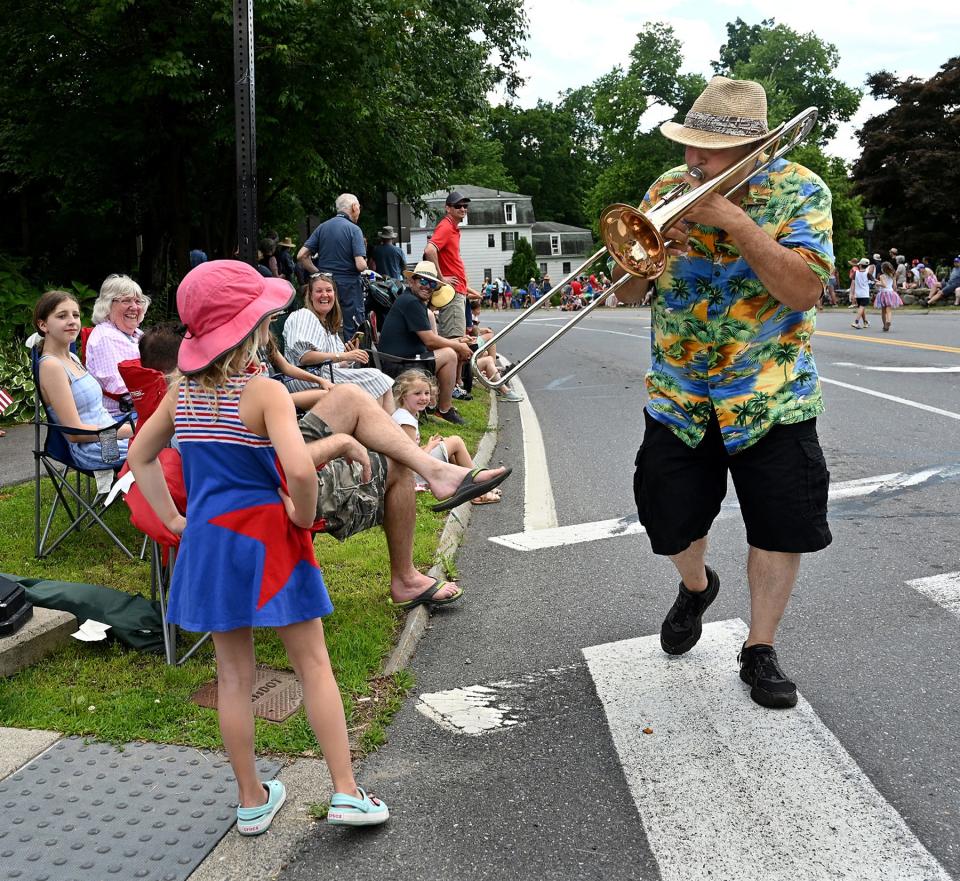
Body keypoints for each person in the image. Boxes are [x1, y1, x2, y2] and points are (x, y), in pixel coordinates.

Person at [616, 76, 833, 709]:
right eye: (689, 146)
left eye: (706, 151)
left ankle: (759, 648)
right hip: (681, 393)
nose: (692, 161)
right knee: (665, 517)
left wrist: (733, 220)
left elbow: (804, 290)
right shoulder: (665, 191)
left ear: (752, 149)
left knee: (781, 527)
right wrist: (649, 264)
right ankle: (696, 585)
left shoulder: (802, 191)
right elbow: (627, 294)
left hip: (772, 394)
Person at [34, 290, 133, 470]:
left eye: (76, 315)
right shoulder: (51, 366)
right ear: (43, 325)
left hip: (109, 433)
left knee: (166, 439)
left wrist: (127, 429)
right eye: (62, 316)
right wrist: (129, 430)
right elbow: (75, 433)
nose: (72, 321)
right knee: (158, 448)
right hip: (93, 448)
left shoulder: (72, 357)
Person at [282, 272, 394, 411]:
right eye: (319, 291)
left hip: (324, 375)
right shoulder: (304, 316)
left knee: (383, 383)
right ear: (310, 296)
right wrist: (343, 356)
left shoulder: (327, 325)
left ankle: (390, 429)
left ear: (334, 295)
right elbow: (305, 357)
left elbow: (333, 363)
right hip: (306, 380)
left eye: (329, 290)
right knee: (376, 379)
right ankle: (377, 429)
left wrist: (348, 357)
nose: (324, 295)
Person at [377, 261, 472, 424]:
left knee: (451, 350)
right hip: (398, 364)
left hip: (401, 360)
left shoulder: (411, 300)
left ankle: (436, 406)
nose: (427, 286)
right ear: (412, 281)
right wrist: (457, 346)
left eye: (432, 283)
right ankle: (444, 410)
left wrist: (459, 341)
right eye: (423, 281)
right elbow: (430, 341)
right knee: (449, 355)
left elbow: (429, 341)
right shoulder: (411, 302)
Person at [390, 370, 501, 505]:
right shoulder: (406, 421)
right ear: (403, 396)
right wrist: (430, 446)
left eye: (426, 393)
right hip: (411, 474)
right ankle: (477, 489)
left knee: (450, 446)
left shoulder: (406, 414)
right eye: (417, 393)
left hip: (412, 468)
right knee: (456, 442)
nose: (424, 397)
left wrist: (430, 445)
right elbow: (410, 460)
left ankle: (475, 486)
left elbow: (409, 450)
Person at [296, 194, 368, 341]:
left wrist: (320, 273)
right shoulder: (354, 230)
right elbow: (360, 265)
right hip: (349, 286)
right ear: (354, 207)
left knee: (325, 323)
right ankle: (353, 359)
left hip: (326, 285)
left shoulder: (322, 227)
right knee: (353, 327)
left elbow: (301, 255)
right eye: (359, 208)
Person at [85, 274, 150, 417]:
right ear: (107, 305)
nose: (134, 307)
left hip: (142, 408)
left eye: (138, 301)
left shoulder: (136, 333)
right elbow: (118, 388)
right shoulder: (105, 337)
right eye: (126, 301)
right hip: (121, 416)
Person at [873, 261, 903, 331]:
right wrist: (894, 291)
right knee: (889, 310)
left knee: (883, 311)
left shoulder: (882, 276)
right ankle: (888, 321)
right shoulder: (892, 275)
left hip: (883, 293)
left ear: (883, 269)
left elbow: (884, 285)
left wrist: (877, 283)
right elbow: (894, 286)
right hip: (890, 292)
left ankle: (884, 325)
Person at [850, 258, 872, 328]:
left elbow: (853, 284)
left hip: (858, 294)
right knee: (862, 307)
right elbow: (875, 280)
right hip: (865, 294)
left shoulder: (855, 273)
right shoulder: (868, 274)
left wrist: (852, 293)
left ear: (860, 265)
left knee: (861, 308)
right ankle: (856, 322)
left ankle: (865, 322)